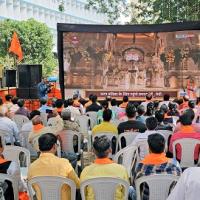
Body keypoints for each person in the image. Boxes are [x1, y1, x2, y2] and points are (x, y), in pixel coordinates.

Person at [28, 133, 80, 200]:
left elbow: (33, 188)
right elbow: (77, 184)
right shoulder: (64, 163)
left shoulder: (32, 167)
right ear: (55, 146)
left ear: (39, 147)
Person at [133, 133, 181, 200]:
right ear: (164, 148)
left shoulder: (140, 167)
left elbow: (136, 186)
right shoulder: (175, 165)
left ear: (149, 148)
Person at [80, 135, 129, 200]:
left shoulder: (86, 171)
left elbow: (83, 193)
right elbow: (125, 192)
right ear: (110, 150)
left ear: (93, 151)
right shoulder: (122, 170)